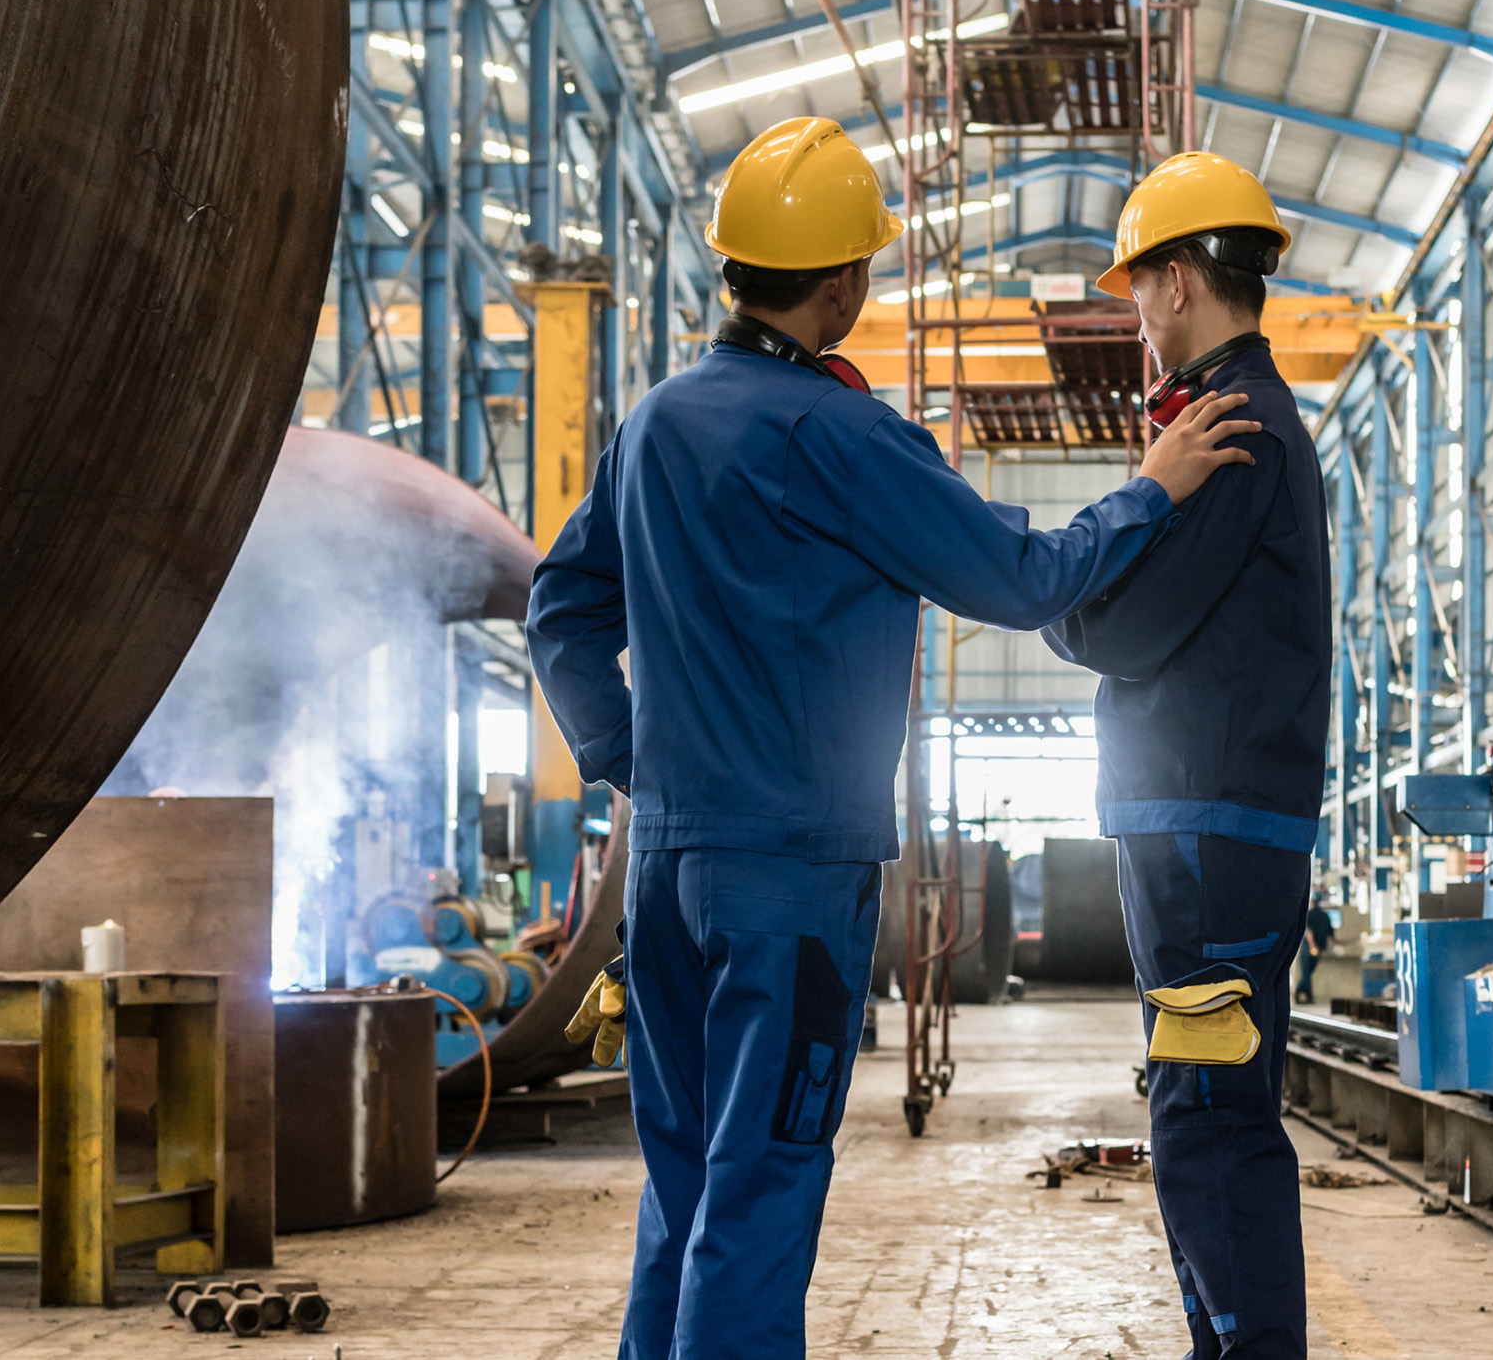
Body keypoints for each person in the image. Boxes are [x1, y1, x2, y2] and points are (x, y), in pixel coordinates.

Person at [527, 116, 1264, 1360]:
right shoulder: (845, 439)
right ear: (845, 282)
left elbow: (561, 608)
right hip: (791, 884)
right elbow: (1024, 580)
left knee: (688, 1190)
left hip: (659, 875)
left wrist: (628, 756)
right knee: (759, 1195)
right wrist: (1153, 487)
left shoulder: (653, 424)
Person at [1043, 150, 1333, 1360]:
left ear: (1171, 283)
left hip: (1210, 835)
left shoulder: (1230, 431)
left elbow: (1105, 625)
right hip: (1208, 825)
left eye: (1131, 290)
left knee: (1208, 1119)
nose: (1131, 317)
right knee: (1201, 1108)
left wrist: (1077, 568)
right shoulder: (1229, 422)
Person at [1296, 893, 1335, 1005]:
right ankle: (1301, 993)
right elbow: (1331, 934)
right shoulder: (1325, 916)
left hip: (1307, 949)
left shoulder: (1308, 914)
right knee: (1308, 973)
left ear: (1311, 901)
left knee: (1306, 973)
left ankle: (1304, 994)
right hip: (1319, 949)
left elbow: (1309, 932)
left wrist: (1312, 946)